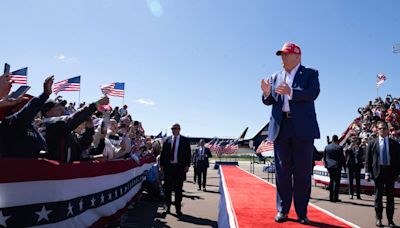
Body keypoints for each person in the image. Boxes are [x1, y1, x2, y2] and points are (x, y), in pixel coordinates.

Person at [261, 42, 320, 224]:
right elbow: (270, 100)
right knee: (282, 172)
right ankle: (283, 210)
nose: (283, 58)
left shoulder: (310, 73)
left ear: (298, 56)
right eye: (282, 55)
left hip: (302, 127)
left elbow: (313, 92)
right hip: (281, 127)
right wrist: (265, 93)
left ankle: (302, 213)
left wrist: (292, 92)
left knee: (302, 173)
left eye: (286, 54)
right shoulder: (275, 76)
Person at [365, 121, 400, 227]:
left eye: (385, 128)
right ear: (377, 130)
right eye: (381, 128)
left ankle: (390, 220)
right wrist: (367, 172)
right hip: (378, 172)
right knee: (378, 197)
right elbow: (368, 159)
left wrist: (399, 173)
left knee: (390, 197)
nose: (383, 130)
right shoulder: (372, 143)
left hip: (390, 172)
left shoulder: (394, 143)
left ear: (388, 130)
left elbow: (398, 160)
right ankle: (379, 219)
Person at [160, 123, 191, 216]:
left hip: (179, 168)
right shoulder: (167, 140)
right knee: (167, 188)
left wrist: (187, 165)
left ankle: (178, 208)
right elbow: (163, 154)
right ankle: (167, 207)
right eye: (172, 128)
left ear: (179, 129)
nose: (173, 130)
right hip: (168, 167)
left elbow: (188, 154)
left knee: (178, 189)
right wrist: (161, 165)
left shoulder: (184, 140)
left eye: (175, 128)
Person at [323, 135, 345, 202]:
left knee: (331, 181)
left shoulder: (327, 147)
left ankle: (330, 197)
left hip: (329, 166)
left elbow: (324, 157)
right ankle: (335, 197)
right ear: (337, 140)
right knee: (336, 182)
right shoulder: (339, 147)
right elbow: (342, 158)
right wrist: (344, 166)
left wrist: (326, 165)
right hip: (337, 166)